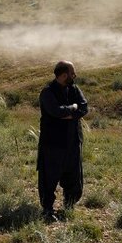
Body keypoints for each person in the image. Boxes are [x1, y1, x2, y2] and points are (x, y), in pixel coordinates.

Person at [37, 60, 89, 222]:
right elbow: (56, 112)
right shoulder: (48, 92)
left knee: (73, 176)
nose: (75, 76)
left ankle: (69, 204)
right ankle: (47, 209)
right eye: (72, 73)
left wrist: (69, 113)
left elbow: (84, 108)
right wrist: (72, 109)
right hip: (53, 143)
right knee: (49, 177)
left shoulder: (74, 89)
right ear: (64, 75)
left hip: (73, 141)